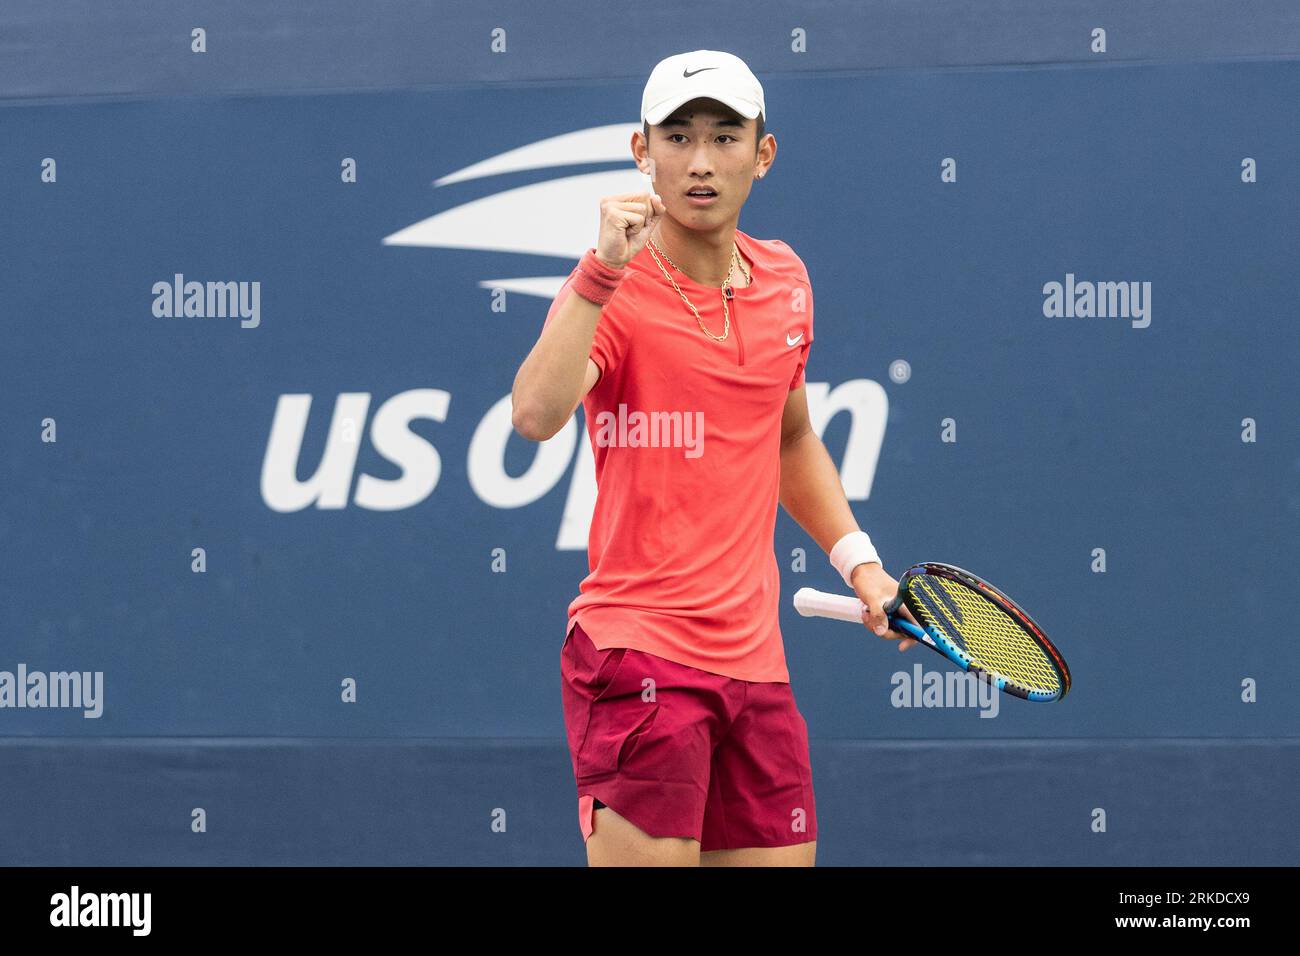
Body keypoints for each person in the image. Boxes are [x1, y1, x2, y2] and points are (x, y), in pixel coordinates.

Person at [511, 49, 918, 867]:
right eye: (678, 137)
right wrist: (597, 275)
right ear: (641, 151)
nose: (700, 161)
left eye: (725, 137)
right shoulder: (612, 287)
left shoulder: (786, 281)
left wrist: (863, 567)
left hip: (757, 669)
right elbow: (534, 415)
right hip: (638, 657)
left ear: (762, 155)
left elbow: (790, 436)